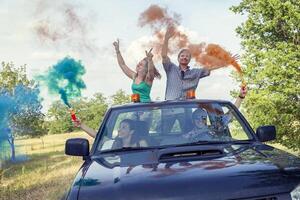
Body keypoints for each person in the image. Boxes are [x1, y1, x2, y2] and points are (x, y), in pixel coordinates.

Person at [183, 86, 247, 142]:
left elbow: (231, 113)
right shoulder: (188, 136)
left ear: (206, 119)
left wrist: (240, 97)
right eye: (197, 118)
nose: (200, 121)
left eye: (203, 118)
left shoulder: (215, 127)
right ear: (193, 120)